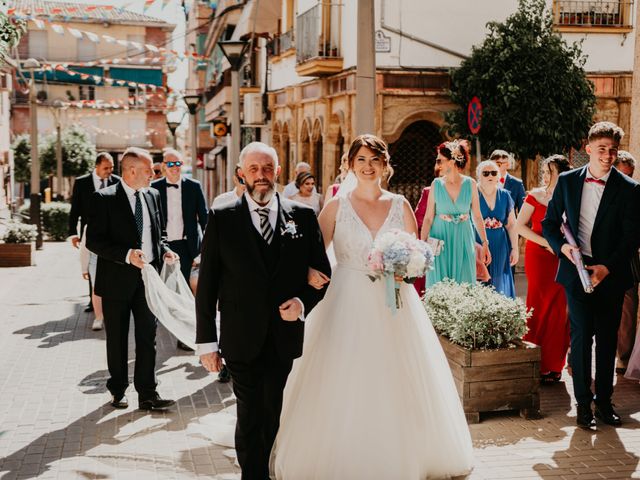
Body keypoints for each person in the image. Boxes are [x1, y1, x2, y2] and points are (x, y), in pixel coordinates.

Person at [274, 134, 473, 479]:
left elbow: (418, 253)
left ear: (385, 165)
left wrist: (406, 271)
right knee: (343, 373)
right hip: (345, 298)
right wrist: (305, 277)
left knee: (397, 372)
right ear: (350, 165)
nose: (368, 167)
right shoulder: (337, 205)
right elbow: (314, 254)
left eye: (374, 160)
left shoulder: (400, 204)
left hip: (394, 301)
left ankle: (402, 451)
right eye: (361, 160)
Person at [196, 142, 331, 479]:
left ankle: (262, 468)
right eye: (254, 169)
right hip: (240, 336)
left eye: (267, 169)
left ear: (278, 173)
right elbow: (207, 286)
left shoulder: (301, 216)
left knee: (271, 411)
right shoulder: (222, 218)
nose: (261, 176)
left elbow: (323, 275)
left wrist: (301, 304)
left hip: (283, 336)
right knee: (250, 411)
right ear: (241, 173)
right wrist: (206, 344)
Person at [542, 122, 640, 429]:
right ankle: (583, 404)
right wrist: (564, 250)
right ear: (588, 150)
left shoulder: (629, 189)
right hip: (575, 272)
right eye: (601, 150)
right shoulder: (568, 181)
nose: (608, 156)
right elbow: (549, 224)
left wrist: (607, 267)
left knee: (608, 340)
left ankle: (605, 404)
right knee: (582, 338)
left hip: (611, 273)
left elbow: (631, 236)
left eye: (612, 150)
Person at [87, 147, 178, 411]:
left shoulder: (153, 195)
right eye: (150, 169)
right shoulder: (103, 198)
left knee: (148, 337)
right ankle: (117, 390)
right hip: (116, 281)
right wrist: (127, 255)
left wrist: (166, 250)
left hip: (147, 281)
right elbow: (94, 241)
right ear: (132, 170)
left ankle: (148, 393)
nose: (154, 174)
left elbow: (158, 234)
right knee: (117, 338)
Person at [517, 154, 571, 383]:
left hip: (562, 257)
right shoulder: (535, 195)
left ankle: (554, 365)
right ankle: (533, 363)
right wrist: (546, 243)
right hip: (538, 256)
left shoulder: (571, 197)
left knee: (559, 310)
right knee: (537, 305)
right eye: (546, 171)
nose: (548, 175)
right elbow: (520, 226)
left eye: (552, 171)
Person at [151, 149, 208, 351]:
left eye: (178, 164)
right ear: (163, 166)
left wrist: (202, 251)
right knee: (160, 288)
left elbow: (205, 217)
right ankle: (152, 333)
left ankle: (185, 335)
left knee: (184, 292)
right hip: (161, 247)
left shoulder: (194, 186)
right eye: (170, 164)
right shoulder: (154, 188)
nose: (175, 169)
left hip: (186, 246)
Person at [421, 140, 490, 287]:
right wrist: (422, 244)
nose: (438, 164)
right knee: (438, 283)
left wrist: (485, 243)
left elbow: (477, 216)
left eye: (440, 160)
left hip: (463, 237)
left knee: (464, 280)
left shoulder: (470, 184)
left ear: (452, 161)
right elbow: (428, 218)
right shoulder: (436, 184)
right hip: (439, 237)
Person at [68, 152, 119, 326]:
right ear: (96, 166)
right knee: (92, 267)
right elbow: (75, 209)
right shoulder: (82, 182)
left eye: (112, 167)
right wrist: (73, 233)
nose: (109, 171)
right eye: (106, 168)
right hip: (88, 233)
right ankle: (94, 300)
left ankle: (104, 301)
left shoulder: (117, 181)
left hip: (111, 235)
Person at [613, 150, 640, 374]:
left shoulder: (635, 191)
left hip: (628, 261)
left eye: (629, 174)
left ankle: (623, 357)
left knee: (628, 310)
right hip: (598, 258)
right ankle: (577, 355)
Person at [476, 160, 518, 297]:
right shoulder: (473, 193)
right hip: (477, 242)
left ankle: (497, 316)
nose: (490, 176)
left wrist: (515, 249)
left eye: (493, 173)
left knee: (498, 280)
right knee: (479, 280)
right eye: (486, 173)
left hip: (500, 243)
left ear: (498, 176)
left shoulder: (505, 195)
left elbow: (511, 224)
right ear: (479, 176)